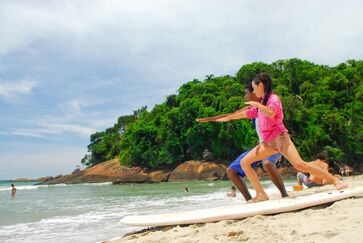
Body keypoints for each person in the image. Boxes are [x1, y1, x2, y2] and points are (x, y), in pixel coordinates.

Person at [198, 72, 347, 203]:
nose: (254, 91)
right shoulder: (261, 103)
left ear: (261, 86)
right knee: (245, 162)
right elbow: (247, 113)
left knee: (300, 165)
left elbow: (272, 113)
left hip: (281, 140)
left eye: (254, 87)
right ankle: (261, 194)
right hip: (268, 144)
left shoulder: (274, 99)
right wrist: (229, 118)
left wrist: (257, 105)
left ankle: (334, 180)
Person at [197, 83, 288, 201]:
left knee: (267, 164)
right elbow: (231, 115)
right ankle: (250, 200)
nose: (245, 96)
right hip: (261, 146)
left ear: (255, 93)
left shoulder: (268, 105)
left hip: (274, 143)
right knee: (231, 171)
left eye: (247, 93)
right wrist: (209, 119)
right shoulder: (251, 109)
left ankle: (284, 195)